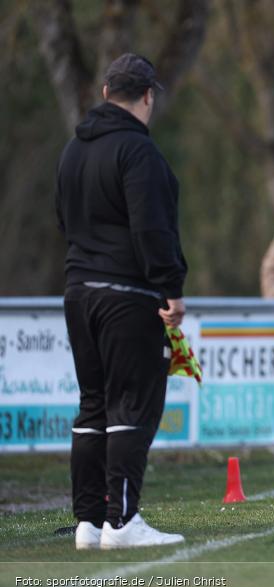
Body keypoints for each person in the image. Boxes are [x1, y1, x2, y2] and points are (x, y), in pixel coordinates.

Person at [56, 53, 187, 549]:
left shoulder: (72, 150)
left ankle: (89, 523)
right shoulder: (138, 152)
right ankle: (123, 520)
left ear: (107, 91)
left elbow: (63, 222)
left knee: (93, 405)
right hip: (128, 294)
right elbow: (152, 228)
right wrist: (171, 289)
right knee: (131, 406)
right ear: (148, 95)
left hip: (78, 290)